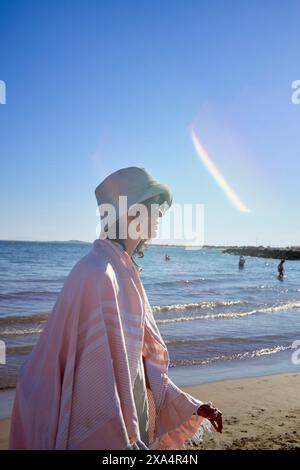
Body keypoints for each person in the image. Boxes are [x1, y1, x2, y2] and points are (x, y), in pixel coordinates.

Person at [9, 166, 222, 450]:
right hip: (114, 431)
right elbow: (92, 381)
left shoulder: (123, 270)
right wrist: (123, 440)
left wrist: (189, 405)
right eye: (154, 205)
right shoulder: (97, 272)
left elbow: (137, 362)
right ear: (132, 211)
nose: (160, 214)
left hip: (132, 414)